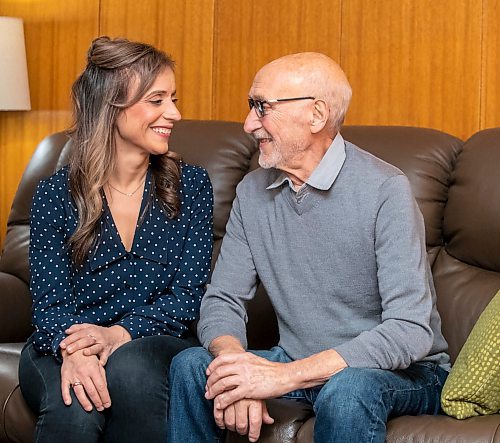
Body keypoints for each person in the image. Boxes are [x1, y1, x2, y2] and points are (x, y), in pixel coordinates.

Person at [166, 52, 450, 443]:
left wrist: (280, 377)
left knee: (348, 391)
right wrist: (236, 370)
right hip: (301, 363)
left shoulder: (386, 190)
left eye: (262, 107)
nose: (249, 124)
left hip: (402, 374)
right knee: (192, 366)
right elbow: (222, 299)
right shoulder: (252, 192)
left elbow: (410, 331)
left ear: (316, 114)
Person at [18, 36, 213, 443]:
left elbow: (188, 295)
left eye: (173, 98)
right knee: (75, 405)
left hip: (153, 342)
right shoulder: (55, 194)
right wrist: (75, 350)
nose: (174, 113)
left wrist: (117, 334)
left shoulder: (192, 186)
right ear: (112, 105)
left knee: (132, 370)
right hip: (61, 343)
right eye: (157, 100)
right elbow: (50, 303)